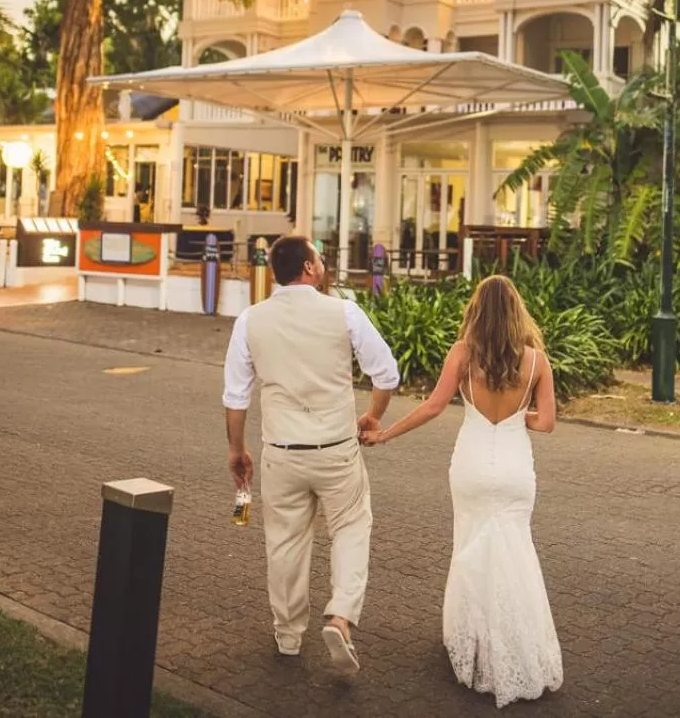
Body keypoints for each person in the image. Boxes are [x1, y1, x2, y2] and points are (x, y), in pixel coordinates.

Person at [366, 274, 563, 708]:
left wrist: (387, 434)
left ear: (476, 310)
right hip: (514, 468)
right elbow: (546, 422)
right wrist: (517, 421)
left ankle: (472, 642)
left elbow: (433, 406)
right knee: (516, 550)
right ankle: (520, 644)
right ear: (517, 312)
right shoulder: (537, 361)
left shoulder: (462, 354)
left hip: (471, 464)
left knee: (470, 548)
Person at [222, 236, 401, 676]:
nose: (322, 263)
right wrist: (373, 416)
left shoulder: (250, 320)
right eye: (319, 258)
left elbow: (236, 397)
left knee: (284, 543)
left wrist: (237, 449)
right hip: (336, 451)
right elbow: (387, 373)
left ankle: (287, 636)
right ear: (308, 268)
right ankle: (340, 616)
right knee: (352, 526)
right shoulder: (344, 312)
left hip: (281, 453)